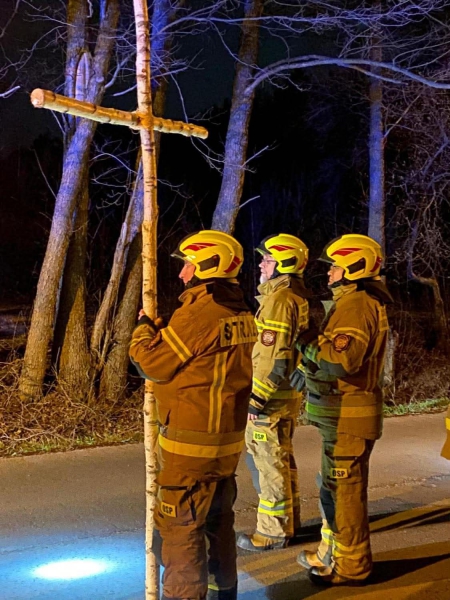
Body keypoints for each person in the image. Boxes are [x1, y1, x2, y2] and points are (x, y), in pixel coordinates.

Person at [129, 230, 257, 600]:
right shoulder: (240, 310)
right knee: (218, 523)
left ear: (207, 266)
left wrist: (143, 331)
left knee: (180, 530)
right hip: (225, 444)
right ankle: (223, 593)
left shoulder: (200, 313)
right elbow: (201, 358)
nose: (183, 272)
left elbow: (152, 363)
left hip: (191, 447)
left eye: (188, 264)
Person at [291, 233, 393, 586]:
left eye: (335, 266)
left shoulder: (356, 305)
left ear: (353, 268)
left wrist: (308, 342)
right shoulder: (355, 302)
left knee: (345, 496)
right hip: (343, 415)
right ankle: (332, 553)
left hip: (349, 417)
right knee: (334, 490)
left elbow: (340, 360)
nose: (330, 272)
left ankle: (352, 567)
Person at [236, 234, 310, 552]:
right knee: (281, 459)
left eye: (267, 260)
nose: (261, 265)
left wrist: (256, 398)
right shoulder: (291, 296)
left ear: (284, 264)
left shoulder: (279, 300)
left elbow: (272, 355)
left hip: (271, 397)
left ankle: (272, 532)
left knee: (269, 463)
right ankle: (288, 522)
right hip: (284, 394)